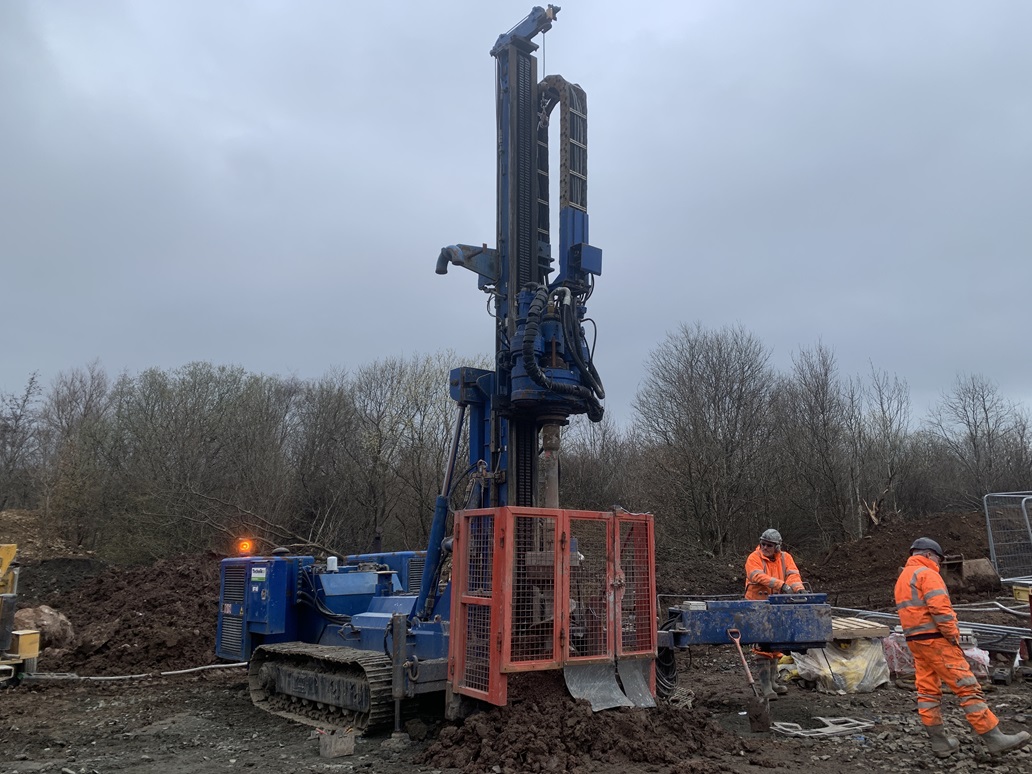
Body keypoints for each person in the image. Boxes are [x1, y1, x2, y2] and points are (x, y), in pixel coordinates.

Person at [895, 537, 1030, 758]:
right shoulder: (927, 573)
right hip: (937, 640)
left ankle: (940, 742)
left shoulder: (903, 578)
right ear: (929, 555)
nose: (938, 564)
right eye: (938, 560)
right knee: (967, 687)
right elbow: (941, 610)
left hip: (916, 642)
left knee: (927, 690)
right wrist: (952, 636)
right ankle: (994, 738)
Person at [744, 528, 805, 699]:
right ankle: (765, 687)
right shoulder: (754, 558)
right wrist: (781, 585)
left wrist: (799, 589)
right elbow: (757, 577)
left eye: (769, 545)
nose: (764, 547)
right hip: (757, 606)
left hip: (777, 606)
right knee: (762, 646)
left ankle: (773, 682)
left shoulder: (786, 558)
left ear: (777, 547)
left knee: (776, 646)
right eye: (763, 543)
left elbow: (793, 576)